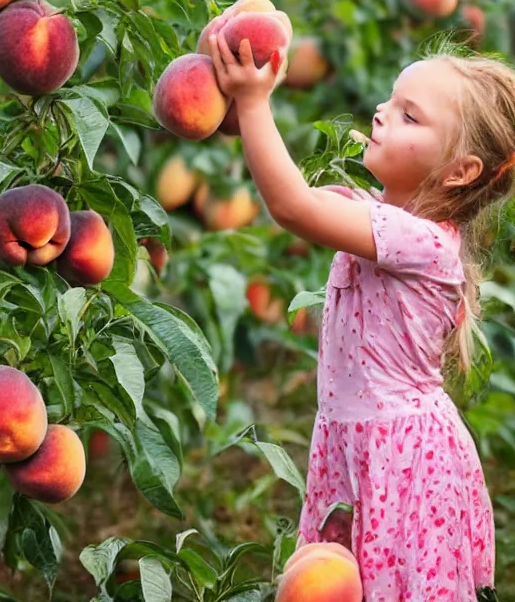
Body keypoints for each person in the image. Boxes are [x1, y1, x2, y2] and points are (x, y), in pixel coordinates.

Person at [207, 30, 514, 601]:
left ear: (459, 171)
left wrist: (252, 102)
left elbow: (293, 206)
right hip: (362, 447)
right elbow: (305, 196)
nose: (380, 112)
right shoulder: (380, 220)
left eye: (408, 116)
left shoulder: (421, 242)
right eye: (390, 101)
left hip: (401, 461)